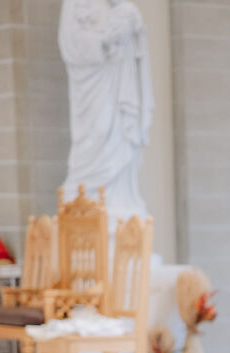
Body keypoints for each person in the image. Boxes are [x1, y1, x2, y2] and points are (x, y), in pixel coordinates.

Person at [59, 0, 154, 225]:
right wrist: (105, 40)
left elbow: (132, 24)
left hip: (119, 77)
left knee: (120, 136)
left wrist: (133, 23)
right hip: (92, 85)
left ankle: (120, 199)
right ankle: (86, 195)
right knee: (98, 130)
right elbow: (69, 44)